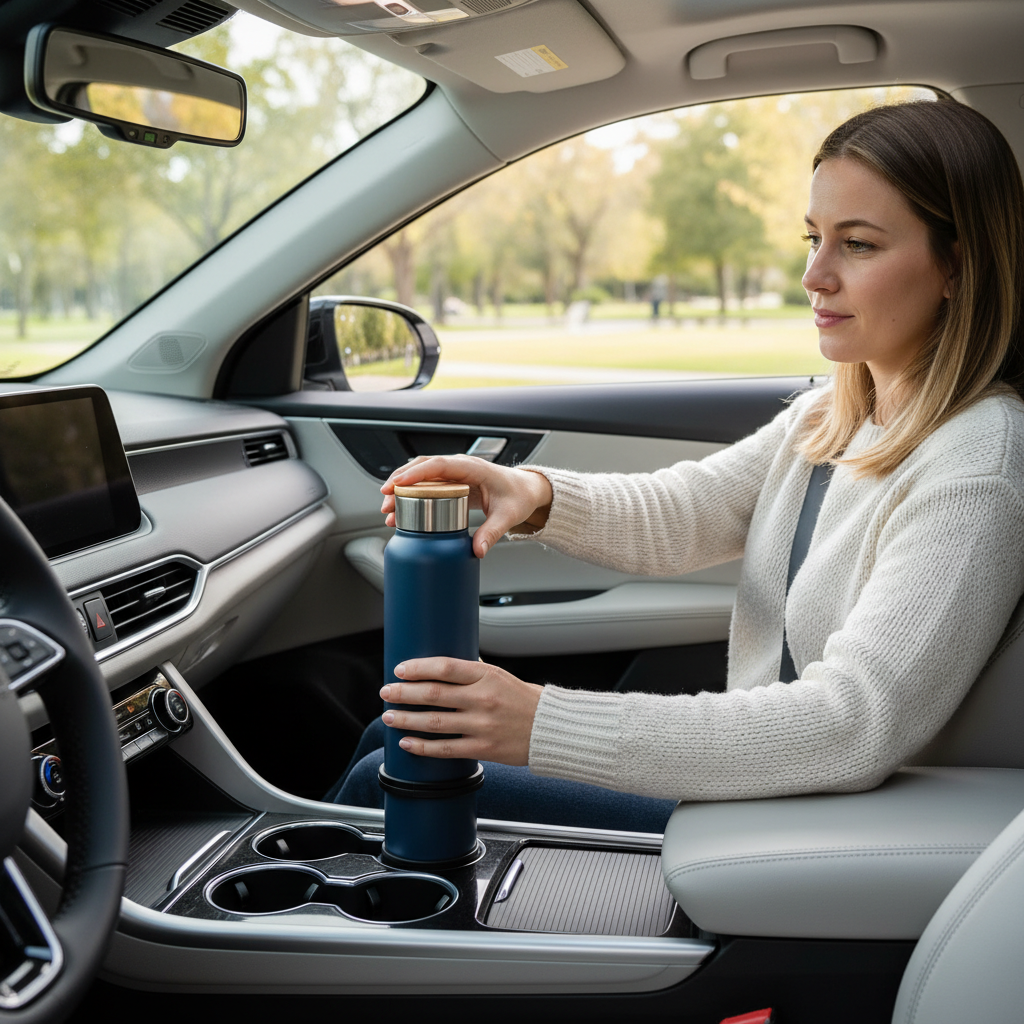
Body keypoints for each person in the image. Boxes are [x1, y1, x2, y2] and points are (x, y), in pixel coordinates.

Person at [328, 100, 1024, 832]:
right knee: (394, 738)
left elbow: (850, 723)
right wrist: (532, 493)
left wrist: (540, 722)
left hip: (826, 818)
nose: (814, 275)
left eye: (858, 246)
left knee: (391, 772)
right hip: (778, 782)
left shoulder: (978, 464)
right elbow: (687, 512)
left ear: (957, 266)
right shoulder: (834, 415)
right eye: (813, 238)